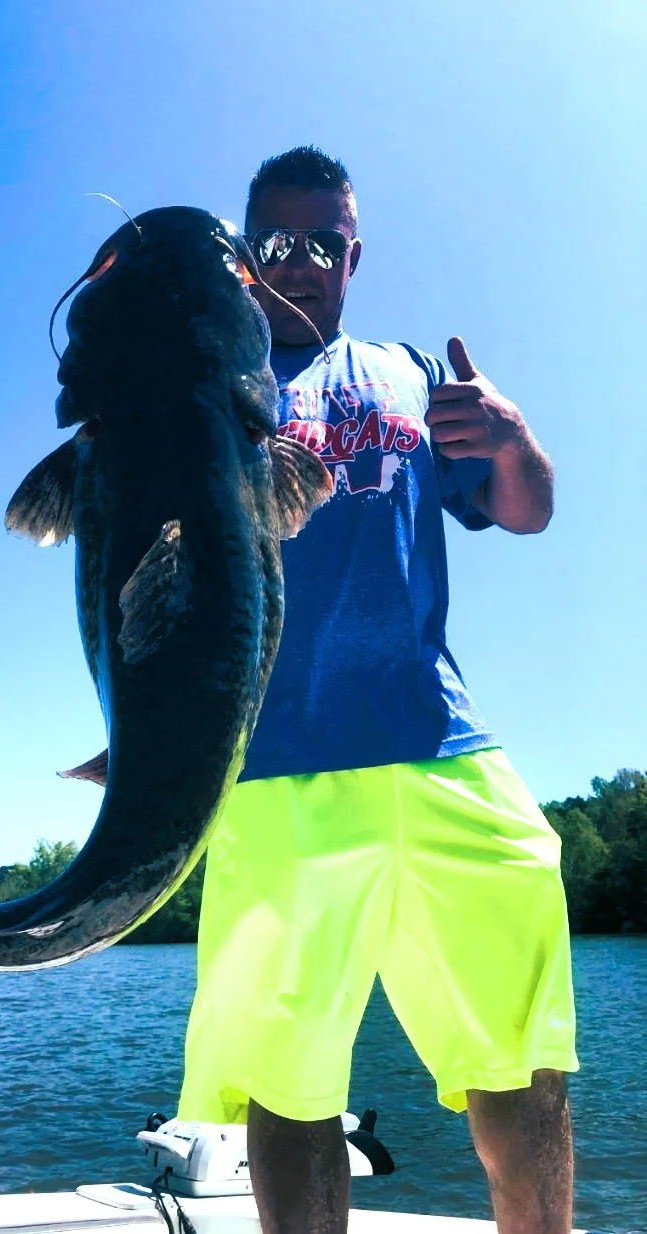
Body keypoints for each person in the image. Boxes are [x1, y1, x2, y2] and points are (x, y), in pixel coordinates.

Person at [177, 147, 578, 1234]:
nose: (298, 262)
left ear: (353, 255)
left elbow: (527, 509)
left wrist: (511, 436)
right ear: (243, 261)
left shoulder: (411, 371)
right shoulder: (210, 397)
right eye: (274, 243)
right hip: (276, 773)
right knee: (292, 1089)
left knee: (524, 1063)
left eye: (323, 241)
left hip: (442, 744)